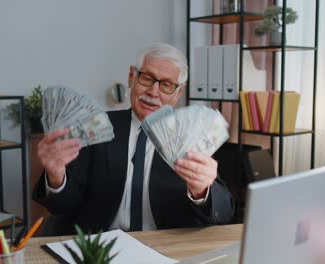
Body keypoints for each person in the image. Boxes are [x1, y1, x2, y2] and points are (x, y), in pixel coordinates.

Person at [32, 43, 234, 235]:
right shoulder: (96, 128)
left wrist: (202, 191)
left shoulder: (194, 136)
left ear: (178, 92)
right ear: (132, 77)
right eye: (147, 78)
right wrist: (56, 176)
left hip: (165, 250)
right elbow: (65, 206)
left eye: (166, 85)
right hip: (103, 247)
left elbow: (225, 213)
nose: (153, 92)